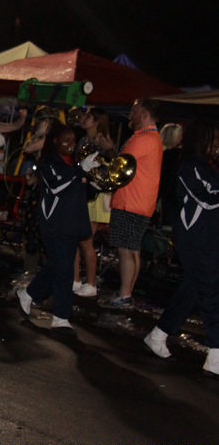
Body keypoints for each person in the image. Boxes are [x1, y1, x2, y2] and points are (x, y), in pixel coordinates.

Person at [142, 119, 219, 379]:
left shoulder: (209, 167)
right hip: (195, 239)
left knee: (194, 289)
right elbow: (205, 200)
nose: (218, 145)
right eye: (214, 140)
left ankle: (159, 334)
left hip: (208, 239)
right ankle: (216, 352)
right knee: (210, 291)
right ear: (202, 140)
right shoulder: (189, 166)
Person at [18, 124, 99, 335]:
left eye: (73, 141)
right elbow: (57, 186)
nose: (71, 145)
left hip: (74, 222)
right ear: (54, 141)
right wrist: (81, 171)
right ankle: (61, 317)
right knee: (64, 271)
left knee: (58, 266)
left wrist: (96, 183)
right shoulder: (48, 163)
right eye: (66, 141)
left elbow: (85, 191)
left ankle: (28, 294)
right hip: (55, 223)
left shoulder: (74, 164)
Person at [107, 98, 163, 307]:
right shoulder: (151, 138)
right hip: (140, 202)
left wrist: (109, 149)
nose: (130, 115)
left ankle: (124, 295)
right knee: (132, 249)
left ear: (144, 115)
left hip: (131, 201)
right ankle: (126, 293)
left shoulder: (144, 139)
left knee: (125, 249)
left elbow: (119, 166)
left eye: (133, 111)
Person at [73, 107, 116, 298]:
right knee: (73, 239)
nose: (83, 119)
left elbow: (111, 169)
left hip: (95, 196)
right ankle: (74, 280)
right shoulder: (83, 140)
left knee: (85, 241)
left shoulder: (103, 141)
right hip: (81, 192)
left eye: (88, 117)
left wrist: (109, 152)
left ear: (97, 121)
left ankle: (90, 283)